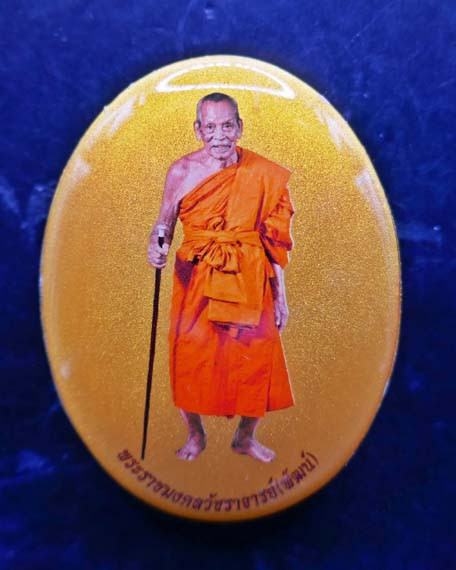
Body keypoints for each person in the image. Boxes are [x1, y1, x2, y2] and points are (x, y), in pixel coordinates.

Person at [148, 92, 294, 463]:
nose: (219, 135)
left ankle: (245, 437)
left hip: (249, 276)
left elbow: (274, 240)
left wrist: (280, 296)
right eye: (210, 127)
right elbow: (164, 224)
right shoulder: (181, 171)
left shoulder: (263, 174)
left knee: (256, 356)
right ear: (198, 130)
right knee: (189, 356)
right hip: (196, 277)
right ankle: (195, 435)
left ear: (240, 127)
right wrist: (157, 245)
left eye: (227, 125)